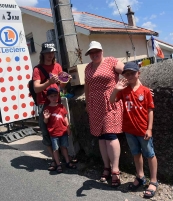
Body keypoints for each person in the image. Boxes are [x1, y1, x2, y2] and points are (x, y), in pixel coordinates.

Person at [109, 62, 158, 198]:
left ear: (138, 73)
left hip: (143, 130)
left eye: (132, 73)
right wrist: (116, 89)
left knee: (150, 154)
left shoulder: (146, 91)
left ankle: (153, 181)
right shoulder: (123, 91)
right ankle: (140, 176)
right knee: (136, 154)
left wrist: (149, 128)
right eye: (127, 74)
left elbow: (150, 110)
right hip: (129, 130)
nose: (129, 76)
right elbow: (112, 101)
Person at [84, 41, 124, 187]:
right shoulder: (88, 67)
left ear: (102, 50)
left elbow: (126, 72)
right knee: (101, 136)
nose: (94, 54)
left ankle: (115, 170)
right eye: (91, 52)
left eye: (97, 51)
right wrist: (88, 103)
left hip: (110, 101)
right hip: (95, 104)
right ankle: (106, 167)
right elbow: (87, 86)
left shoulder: (111, 61)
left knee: (110, 134)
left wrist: (137, 86)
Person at [32, 42, 68, 171]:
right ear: (43, 54)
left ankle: (62, 158)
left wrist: (62, 82)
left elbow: (63, 86)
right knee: (47, 132)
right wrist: (49, 82)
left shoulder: (57, 66)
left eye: (52, 52)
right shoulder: (37, 69)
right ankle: (54, 159)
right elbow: (36, 89)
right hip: (44, 104)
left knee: (60, 130)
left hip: (57, 103)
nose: (50, 55)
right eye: (47, 53)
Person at [43, 87, 76, 173]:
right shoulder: (47, 109)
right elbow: (45, 121)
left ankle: (67, 162)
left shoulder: (61, 106)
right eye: (51, 96)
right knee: (55, 149)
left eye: (55, 95)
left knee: (64, 147)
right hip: (53, 133)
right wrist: (46, 118)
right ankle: (58, 164)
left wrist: (68, 127)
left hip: (63, 131)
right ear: (48, 98)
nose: (54, 98)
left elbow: (65, 118)